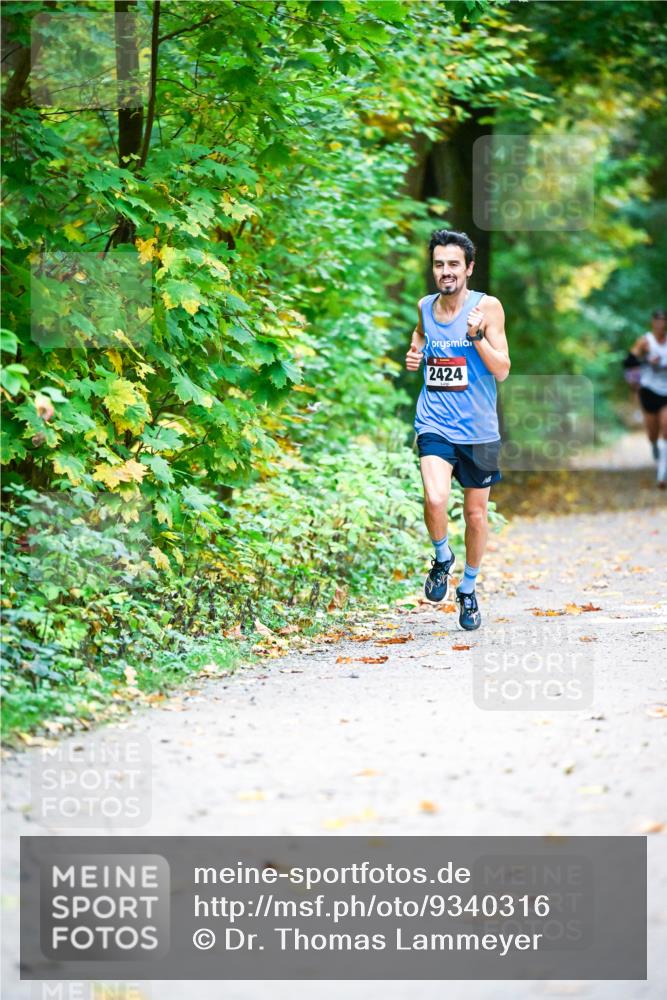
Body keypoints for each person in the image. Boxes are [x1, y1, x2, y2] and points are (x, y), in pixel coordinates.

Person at [405, 230, 510, 631]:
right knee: (434, 498)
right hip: (435, 421)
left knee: (475, 514)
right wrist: (415, 351)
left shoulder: (488, 308)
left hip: (480, 430)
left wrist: (476, 337)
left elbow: (502, 368)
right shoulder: (425, 306)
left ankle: (467, 588)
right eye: (438, 264)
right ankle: (441, 557)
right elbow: (421, 334)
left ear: (468, 268)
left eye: (453, 264)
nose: (445, 272)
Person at [629, 308, 667, 488]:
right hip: (649, 390)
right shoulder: (645, 342)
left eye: (664, 320)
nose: (660, 324)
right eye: (657, 321)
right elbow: (629, 362)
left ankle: (662, 474)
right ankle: (654, 446)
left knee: (666, 428)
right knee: (653, 434)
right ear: (653, 322)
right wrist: (634, 386)